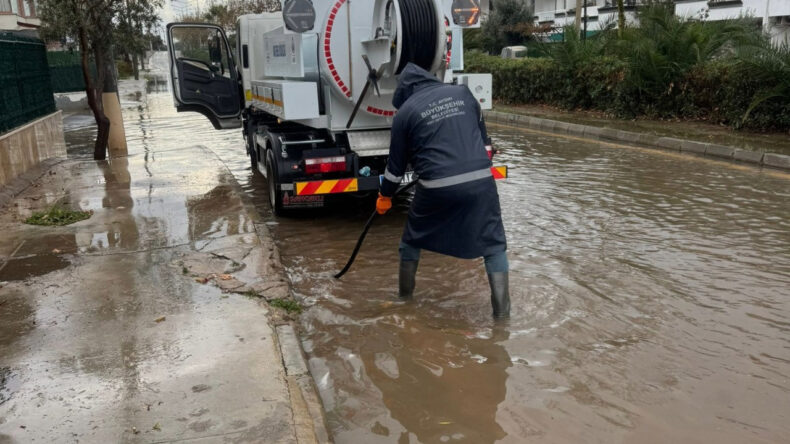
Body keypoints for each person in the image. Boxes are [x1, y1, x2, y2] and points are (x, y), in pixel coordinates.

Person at [377, 63, 510, 319]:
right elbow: (486, 147)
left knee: (410, 241)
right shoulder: (464, 94)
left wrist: (385, 196)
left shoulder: (405, 113)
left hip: (436, 188)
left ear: (404, 91)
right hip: (482, 183)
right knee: (494, 245)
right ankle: (502, 316)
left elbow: (395, 169)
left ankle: (404, 300)